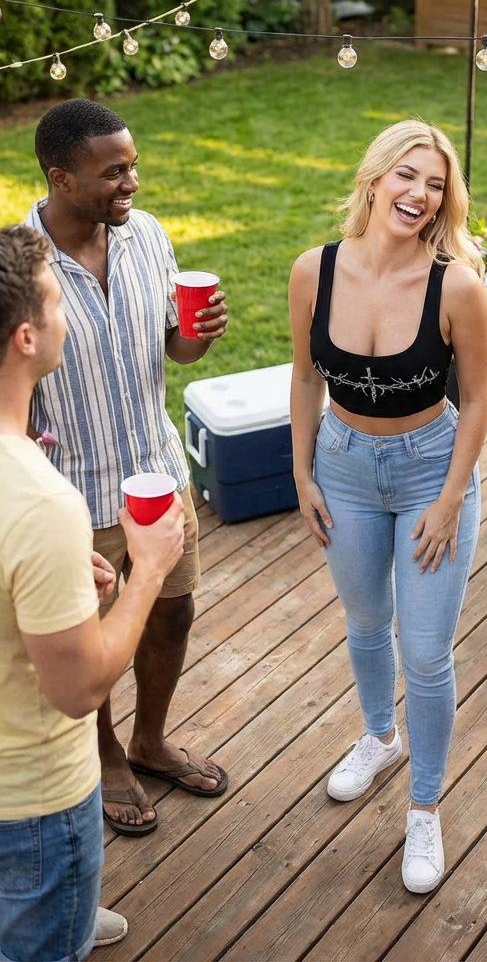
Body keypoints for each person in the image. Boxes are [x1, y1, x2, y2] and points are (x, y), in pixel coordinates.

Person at [288, 120, 487, 893]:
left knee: (428, 651)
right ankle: (380, 737)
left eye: (436, 185)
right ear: (375, 179)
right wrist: (301, 473)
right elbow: (305, 376)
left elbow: (479, 401)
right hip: (341, 466)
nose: (420, 194)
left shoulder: (456, 285)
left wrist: (450, 498)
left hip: (430, 470)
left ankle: (424, 807)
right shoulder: (314, 271)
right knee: (367, 619)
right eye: (407, 175)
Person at [24, 99, 229, 836]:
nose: (131, 182)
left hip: (158, 475)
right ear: (61, 178)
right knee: (92, 634)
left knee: (172, 609)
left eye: (133, 165)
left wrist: (198, 336)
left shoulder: (147, 236)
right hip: (72, 493)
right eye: (113, 172)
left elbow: (173, 345)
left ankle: (149, 739)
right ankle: (106, 753)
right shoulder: (20, 266)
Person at [0, 224, 186, 960]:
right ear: (26, 338)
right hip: (34, 808)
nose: (68, 318)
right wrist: (149, 570)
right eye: (56, 304)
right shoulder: (40, 501)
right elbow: (79, 689)